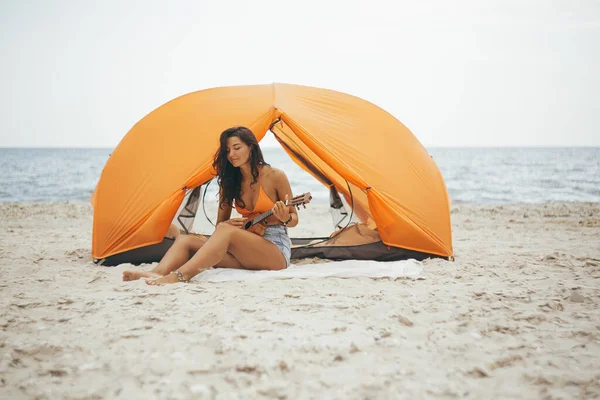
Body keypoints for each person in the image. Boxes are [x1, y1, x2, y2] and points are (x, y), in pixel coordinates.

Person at [122, 126, 298, 285]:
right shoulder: (229, 183)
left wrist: (286, 218)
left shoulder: (275, 176)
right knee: (185, 240)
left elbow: (294, 219)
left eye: (237, 148)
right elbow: (220, 227)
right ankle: (155, 273)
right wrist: (225, 226)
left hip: (274, 251)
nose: (231, 155)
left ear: (251, 147)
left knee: (226, 231)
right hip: (245, 252)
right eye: (228, 150)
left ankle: (180, 276)